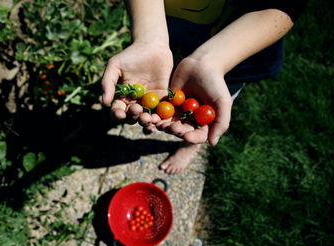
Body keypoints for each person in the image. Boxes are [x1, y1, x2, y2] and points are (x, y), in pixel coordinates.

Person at [101, 0, 306, 174]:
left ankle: (190, 146)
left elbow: (285, 4)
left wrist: (212, 62)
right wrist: (148, 38)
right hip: (170, 17)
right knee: (173, 68)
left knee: (216, 94)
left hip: (243, 39)